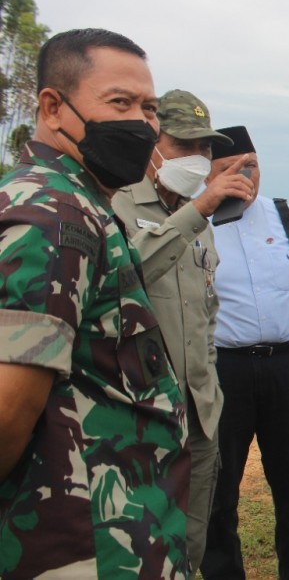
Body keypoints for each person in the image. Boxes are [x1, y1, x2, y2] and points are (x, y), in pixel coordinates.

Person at [0, 28, 189, 576]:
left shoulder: (80, 205)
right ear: (53, 107)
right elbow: (9, 412)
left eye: (150, 107)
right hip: (82, 547)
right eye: (120, 103)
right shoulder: (52, 217)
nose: (143, 123)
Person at [112, 89, 254, 570]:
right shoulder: (116, 206)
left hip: (198, 415)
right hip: (136, 420)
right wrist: (200, 209)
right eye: (183, 146)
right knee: (136, 547)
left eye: (205, 149)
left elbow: (204, 316)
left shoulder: (204, 224)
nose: (197, 159)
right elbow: (124, 275)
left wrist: (210, 390)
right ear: (152, 144)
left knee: (191, 543)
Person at [201, 126, 289, 580]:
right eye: (228, 169)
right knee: (220, 489)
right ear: (207, 175)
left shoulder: (284, 216)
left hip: (285, 366)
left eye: (251, 165)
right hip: (223, 372)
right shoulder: (192, 222)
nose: (244, 176)